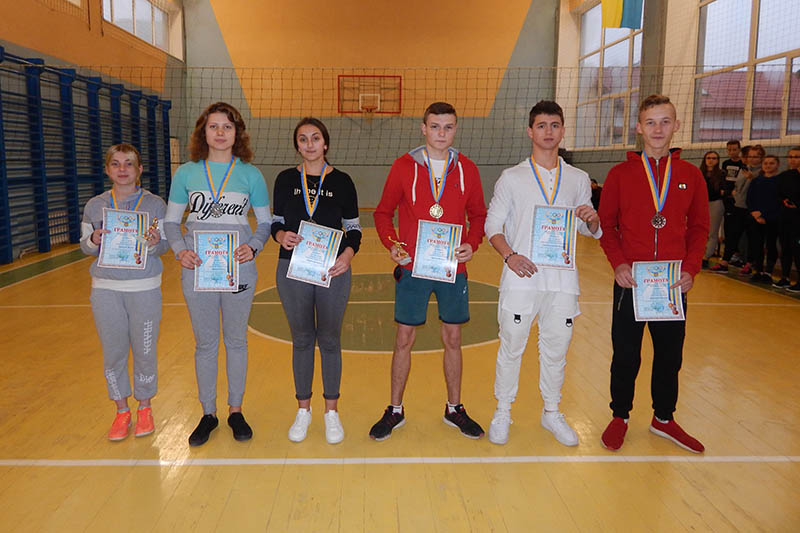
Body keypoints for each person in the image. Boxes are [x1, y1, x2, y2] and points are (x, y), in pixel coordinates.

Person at [483, 101, 601, 446]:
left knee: (556, 349)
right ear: (530, 131)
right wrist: (510, 256)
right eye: (541, 125)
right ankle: (502, 411)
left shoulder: (578, 179)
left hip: (563, 281)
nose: (548, 132)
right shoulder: (512, 177)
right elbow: (492, 225)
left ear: (563, 130)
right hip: (521, 278)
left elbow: (588, 229)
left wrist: (593, 219)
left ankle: (552, 412)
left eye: (554, 125)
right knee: (511, 346)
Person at [598, 94, 709, 453]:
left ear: (677, 125)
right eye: (650, 122)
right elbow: (606, 226)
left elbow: (700, 228)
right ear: (639, 128)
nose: (658, 129)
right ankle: (620, 416)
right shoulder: (620, 175)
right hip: (631, 281)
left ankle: (663, 418)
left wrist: (691, 268)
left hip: (673, 284)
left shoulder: (691, 175)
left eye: (665, 121)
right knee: (626, 354)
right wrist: (619, 263)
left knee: (670, 356)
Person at [370, 102, 487, 441]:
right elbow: (382, 213)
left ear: (455, 129)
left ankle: (454, 408)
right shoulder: (403, 166)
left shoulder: (467, 169)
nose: (441, 133)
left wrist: (472, 243)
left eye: (448, 127)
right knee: (403, 338)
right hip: (413, 267)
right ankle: (395, 409)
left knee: (453, 338)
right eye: (435, 126)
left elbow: (479, 215)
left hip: (453, 267)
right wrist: (393, 244)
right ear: (423, 128)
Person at [164, 102, 271, 446]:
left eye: (227, 126)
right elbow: (170, 222)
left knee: (237, 341)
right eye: (214, 126)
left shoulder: (251, 175)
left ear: (237, 133)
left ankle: (235, 410)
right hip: (198, 269)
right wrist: (180, 250)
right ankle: (208, 413)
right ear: (203, 132)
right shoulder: (186, 173)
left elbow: (266, 223)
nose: (221, 132)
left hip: (240, 267)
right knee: (206, 343)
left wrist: (253, 246)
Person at [271, 118, 361, 444]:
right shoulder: (285, 179)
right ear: (297, 145)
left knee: (330, 339)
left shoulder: (342, 181)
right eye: (303, 139)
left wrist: (347, 256)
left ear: (325, 143)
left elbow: (354, 229)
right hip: (292, 268)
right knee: (302, 339)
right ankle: (303, 410)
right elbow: (276, 223)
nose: (309, 144)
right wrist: (281, 236)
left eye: (315, 138)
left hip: (332, 270)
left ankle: (331, 412)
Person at [80, 143, 168, 441]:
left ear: (139, 169)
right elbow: (85, 247)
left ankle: (144, 407)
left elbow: (164, 244)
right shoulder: (95, 205)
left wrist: (154, 242)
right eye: (116, 164)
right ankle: (121, 410)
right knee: (114, 352)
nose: (122, 169)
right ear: (107, 170)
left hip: (144, 288)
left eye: (129, 163)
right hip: (105, 289)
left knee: (145, 351)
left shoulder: (155, 204)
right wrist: (93, 240)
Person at [712, 142, 751, 272]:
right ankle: (728, 259)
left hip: (744, 204)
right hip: (731, 201)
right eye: (729, 149)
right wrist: (727, 192)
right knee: (730, 230)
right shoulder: (726, 164)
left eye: (735, 149)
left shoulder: (747, 168)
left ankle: (744, 259)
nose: (732, 152)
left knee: (745, 234)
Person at [746, 154, 781, 284]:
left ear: (777, 165)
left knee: (771, 245)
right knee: (756, 245)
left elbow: (778, 201)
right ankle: (758, 270)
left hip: (772, 219)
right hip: (755, 218)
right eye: (765, 163)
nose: (768, 166)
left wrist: (764, 215)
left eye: (771, 163)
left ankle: (768, 272)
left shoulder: (780, 181)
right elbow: (750, 199)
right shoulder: (756, 181)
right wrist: (755, 213)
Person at [775, 147, 800, 291]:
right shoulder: (784, 176)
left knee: (798, 250)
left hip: (798, 220)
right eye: (790, 157)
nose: (793, 159)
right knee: (785, 248)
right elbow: (778, 194)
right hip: (785, 218)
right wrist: (783, 201)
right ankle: (785, 277)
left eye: (796, 157)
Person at [699, 151, 725, 268]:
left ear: (718, 161)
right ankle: (697, 254)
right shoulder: (699, 173)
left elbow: (723, 190)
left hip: (715, 203)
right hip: (701, 204)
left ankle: (706, 256)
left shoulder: (721, 174)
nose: (711, 160)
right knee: (699, 231)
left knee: (712, 232)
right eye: (708, 158)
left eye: (714, 158)